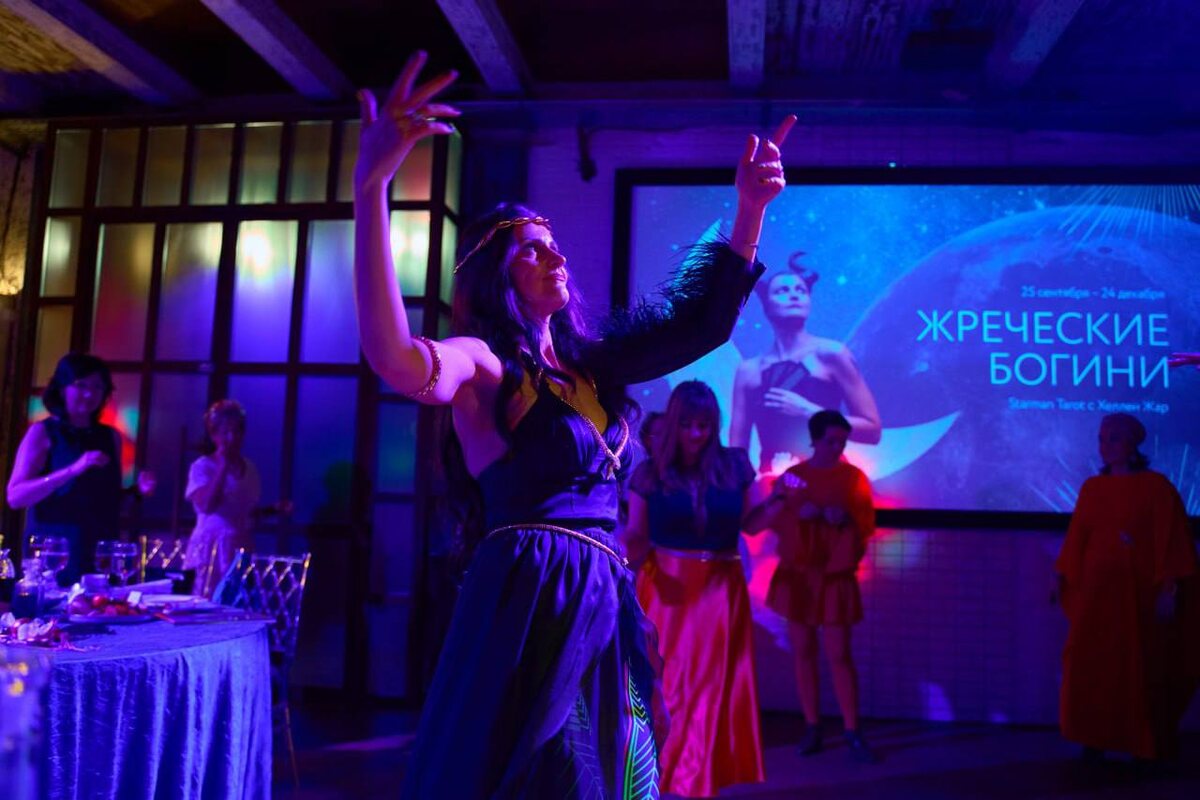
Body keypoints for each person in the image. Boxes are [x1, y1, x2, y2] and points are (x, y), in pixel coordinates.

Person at [353, 51, 793, 798]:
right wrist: (372, 189)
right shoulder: (485, 362)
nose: (555, 254)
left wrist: (749, 211)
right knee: (545, 777)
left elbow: (699, 325)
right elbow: (394, 358)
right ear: (498, 274)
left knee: (618, 772)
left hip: (605, 595)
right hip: (531, 596)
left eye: (553, 241)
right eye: (531, 248)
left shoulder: (593, 368)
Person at [623, 381, 769, 797]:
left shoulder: (735, 465)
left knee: (709, 687)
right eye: (687, 424)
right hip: (665, 589)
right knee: (666, 683)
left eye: (703, 425)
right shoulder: (649, 472)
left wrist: (781, 503)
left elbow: (753, 523)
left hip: (721, 591)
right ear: (674, 423)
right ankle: (658, 773)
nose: (695, 434)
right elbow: (636, 536)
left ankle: (696, 780)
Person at [1054, 413, 1198, 763]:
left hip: (1138, 595)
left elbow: (1171, 540)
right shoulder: (1092, 488)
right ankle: (1093, 738)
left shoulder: (1156, 488)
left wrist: (1168, 588)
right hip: (1098, 596)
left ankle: (1142, 740)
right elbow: (1077, 539)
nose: (1106, 445)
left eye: (1114, 438)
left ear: (1132, 444)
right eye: (1102, 438)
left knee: (1139, 665)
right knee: (1093, 664)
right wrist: (1063, 577)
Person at [744, 409, 877, 762]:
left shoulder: (853, 478)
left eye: (842, 442)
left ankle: (852, 730)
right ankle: (812, 725)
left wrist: (843, 517)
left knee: (839, 654)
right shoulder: (793, 478)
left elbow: (865, 523)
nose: (837, 448)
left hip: (833, 576)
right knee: (803, 653)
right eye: (831, 441)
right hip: (799, 575)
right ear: (815, 440)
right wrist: (794, 512)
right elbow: (770, 519)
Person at [6, 353, 155, 584]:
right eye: (81, 385)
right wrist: (72, 470)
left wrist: (137, 492)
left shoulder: (110, 436)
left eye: (97, 387)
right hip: (55, 553)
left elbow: (105, 502)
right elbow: (15, 496)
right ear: (62, 388)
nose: (89, 394)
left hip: (100, 554)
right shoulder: (44, 431)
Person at [730, 253, 881, 474]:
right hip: (774, 484)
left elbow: (872, 430)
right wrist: (750, 489)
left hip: (829, 481)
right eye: (783, 291)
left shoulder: (832, 354)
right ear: (767, 305)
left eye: (801, 290)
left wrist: (810, 412)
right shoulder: (749, 371)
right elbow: (737, 449)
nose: (794, 295)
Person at [183, 399, 291, 595]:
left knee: (235, 602)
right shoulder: (202, 467)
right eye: (225, 432)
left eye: (237, 431)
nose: (232, 438)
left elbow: (245, 512)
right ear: (214, 435)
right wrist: (222, 467)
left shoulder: (250, 469)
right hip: (209, 547)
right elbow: (206, 505)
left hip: (239, 546)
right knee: (204, 600)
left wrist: (273, 509)